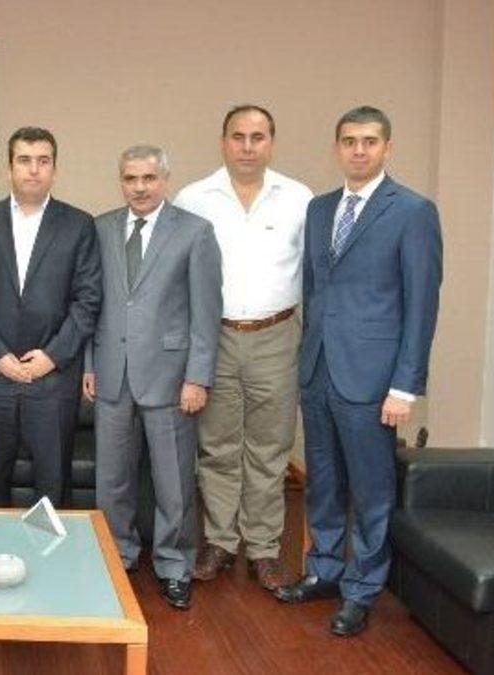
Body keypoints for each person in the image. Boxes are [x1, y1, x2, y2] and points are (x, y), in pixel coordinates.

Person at [276, 106, 442, 637]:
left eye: (370, 141)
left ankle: (362, 589)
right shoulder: (320, 208)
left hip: (373, 378)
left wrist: (405, 385)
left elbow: (422, 304)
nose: (359, 150)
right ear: (337, 147)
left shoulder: (412, 211)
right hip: (319, 368)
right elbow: (313, 289)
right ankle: (324, 570)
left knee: (371, 490)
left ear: (387, 147)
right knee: (322, 480)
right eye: (349, 141)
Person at [174, 105, 313, 591]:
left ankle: (264, 548)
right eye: (239, 136)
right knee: (217, 446)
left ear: (271, 142)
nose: (248, 146)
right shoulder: (194, 198)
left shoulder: (298, 198)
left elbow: (314, 273)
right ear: (223, 141)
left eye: (258, 137)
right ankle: (219, 542)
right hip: (215, 337)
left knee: (270, 447)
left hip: (277, 335)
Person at [83, 145, 222, 610]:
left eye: (148, 178)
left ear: (165, 179)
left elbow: (206, 313)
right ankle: (115, 555)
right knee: (112, 479)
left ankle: (174, 565)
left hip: (171, 377)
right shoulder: (100, 228)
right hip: (111, 372)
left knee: (173, 482)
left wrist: (198, 377)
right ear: (120, 181)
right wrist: (89, 365)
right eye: (130, 178)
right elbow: (92, 304)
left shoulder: (195, 232)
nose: (139, 187)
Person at [0, 127, 100, 507]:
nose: (34, 169)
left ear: (55, 169)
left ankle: (50, 550)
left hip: (53, 380)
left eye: (43, 161)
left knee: (52, 492)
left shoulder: (79, 224)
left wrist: (52, 356)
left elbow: (88, 300)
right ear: (9, 168)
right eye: (24, 160)